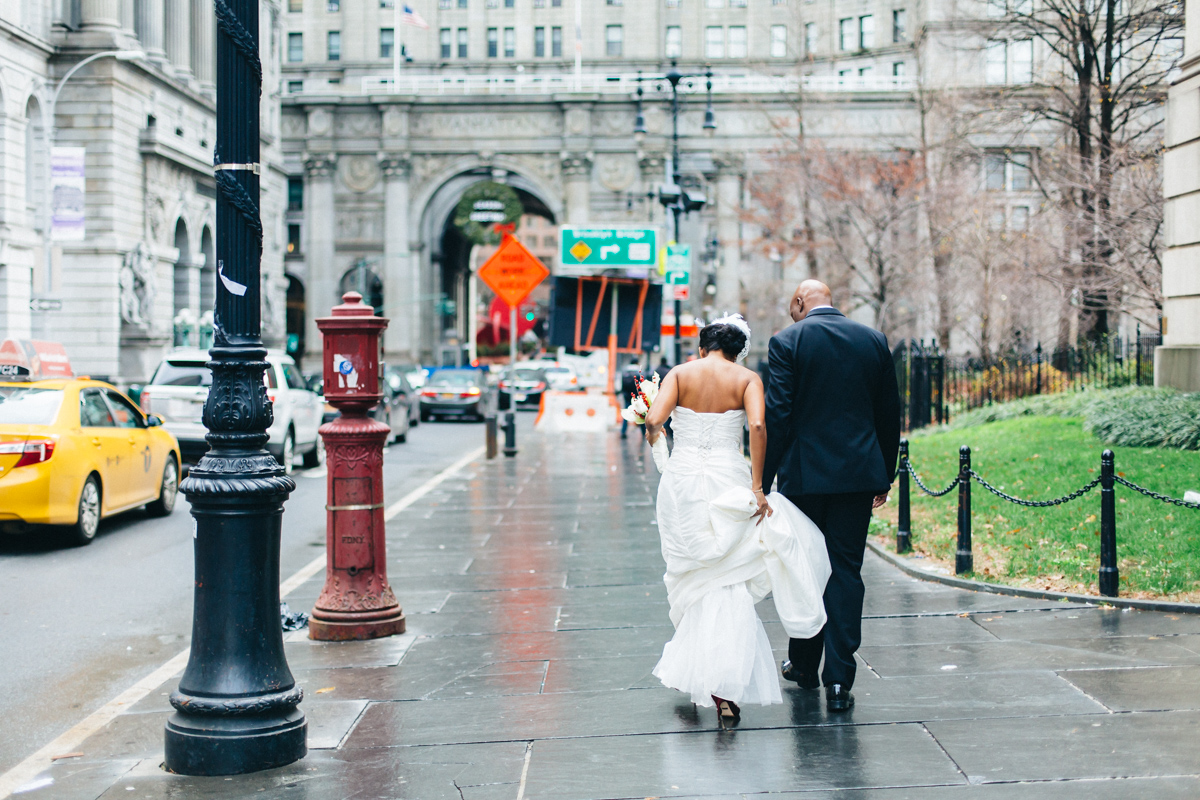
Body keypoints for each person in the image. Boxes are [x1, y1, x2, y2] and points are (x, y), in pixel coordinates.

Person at [644, 315, 831, 723]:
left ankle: (699, 672)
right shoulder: (747, 379)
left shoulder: (680, 373)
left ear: (703, 346)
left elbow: (655, 420)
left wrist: (652, 431)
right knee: (727, 578)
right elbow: (758, 425)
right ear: (737, 349)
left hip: (683, 483)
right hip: (728, 480)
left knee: (693, 573)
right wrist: (759, 486)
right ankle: (721, 681)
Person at [763, 280, 902, 713]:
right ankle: (839, 680)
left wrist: (764, 480)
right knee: (845, 572)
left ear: (802, 302)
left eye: (793, 305)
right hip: (858, 476)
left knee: (806, 569)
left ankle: (804, 668)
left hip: (804, 478)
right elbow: (888, 413)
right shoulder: (873, 340)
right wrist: (885, 475)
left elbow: (778, 414)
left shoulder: (787, 341)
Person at [619, 360, 643, 439]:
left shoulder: (625, 372)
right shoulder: (638, 372)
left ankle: (623, 431)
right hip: (636, 397)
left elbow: (622, 386)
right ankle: (644, 432)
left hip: (627, 396)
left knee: (626, 415)